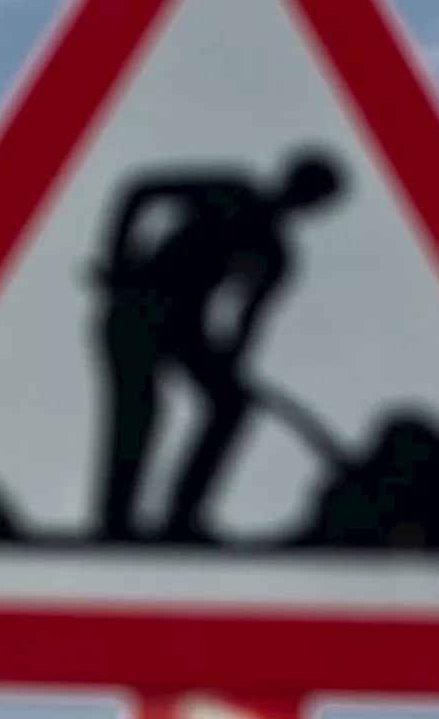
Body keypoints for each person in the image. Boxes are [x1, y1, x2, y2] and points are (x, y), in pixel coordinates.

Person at [89, 149, 346, 543]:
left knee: (230, 406)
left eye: (312, 198)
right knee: (138, 412)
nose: (301, 200)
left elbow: (247, 324)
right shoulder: (230, 191)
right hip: (137, 309)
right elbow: (139, 190)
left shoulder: (276, 255)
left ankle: (182, 518)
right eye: (305, 188)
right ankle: (115, 523)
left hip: (185, 331)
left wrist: (230, 366)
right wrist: (118, 258)